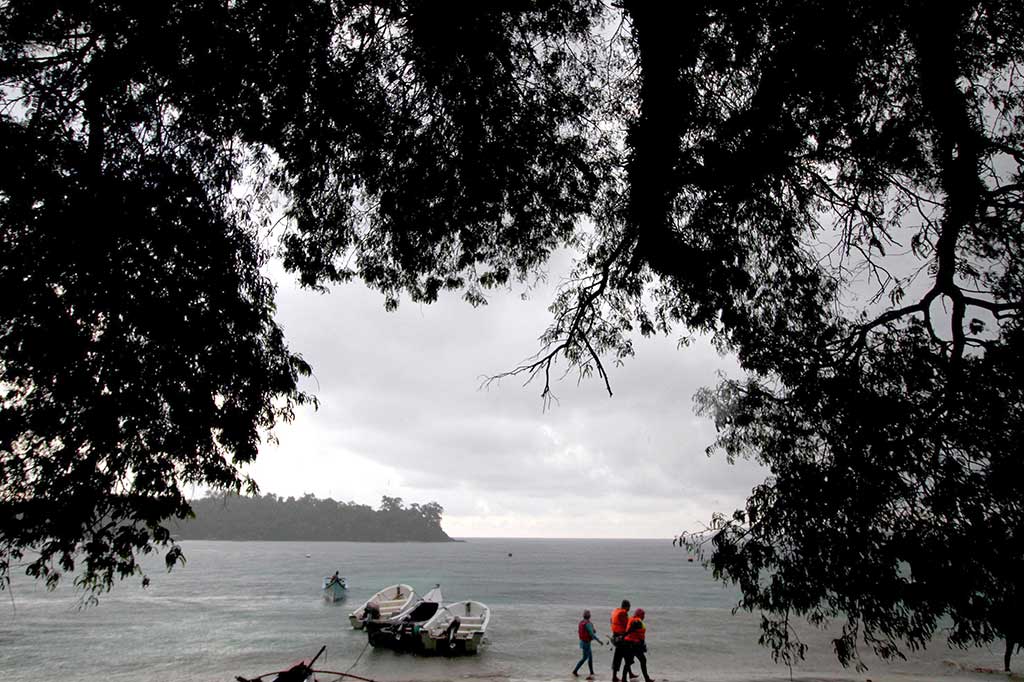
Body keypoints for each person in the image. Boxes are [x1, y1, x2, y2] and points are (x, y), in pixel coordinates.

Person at [621, 608, 653, 682]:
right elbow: (638, 633)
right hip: (634, 644)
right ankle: (647, 679)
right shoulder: (638, 621)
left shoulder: (631, 619)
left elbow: (629, 630)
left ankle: (623, 678)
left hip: (628, 643)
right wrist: (642, 644)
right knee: (643, 660)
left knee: (628, 662)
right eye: (643, 615)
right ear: (640, 615)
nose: (644, 616)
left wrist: (624, 636)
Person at [573, 609, 604, 678]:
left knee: (590, 657)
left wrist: (592, 630)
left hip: (582, 642)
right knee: (584, 658)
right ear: (589, 616)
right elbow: (592, 634)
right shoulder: (588, 624)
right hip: (586, 643)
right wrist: (599, 641)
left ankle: (591, 672)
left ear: (583, 616)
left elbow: (587, 631)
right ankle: (575, 671)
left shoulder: (582, 622)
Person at [611, 599, 635, 682]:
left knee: (624, 656)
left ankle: (630, 673)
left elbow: (612, 621)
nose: (629, 609)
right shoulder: (623, 613)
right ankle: (616, 677)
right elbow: (627, 625)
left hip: (615, 636)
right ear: (626, 606)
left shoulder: (615, 611)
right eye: (629, 607)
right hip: (622, 639)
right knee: (624, 656)